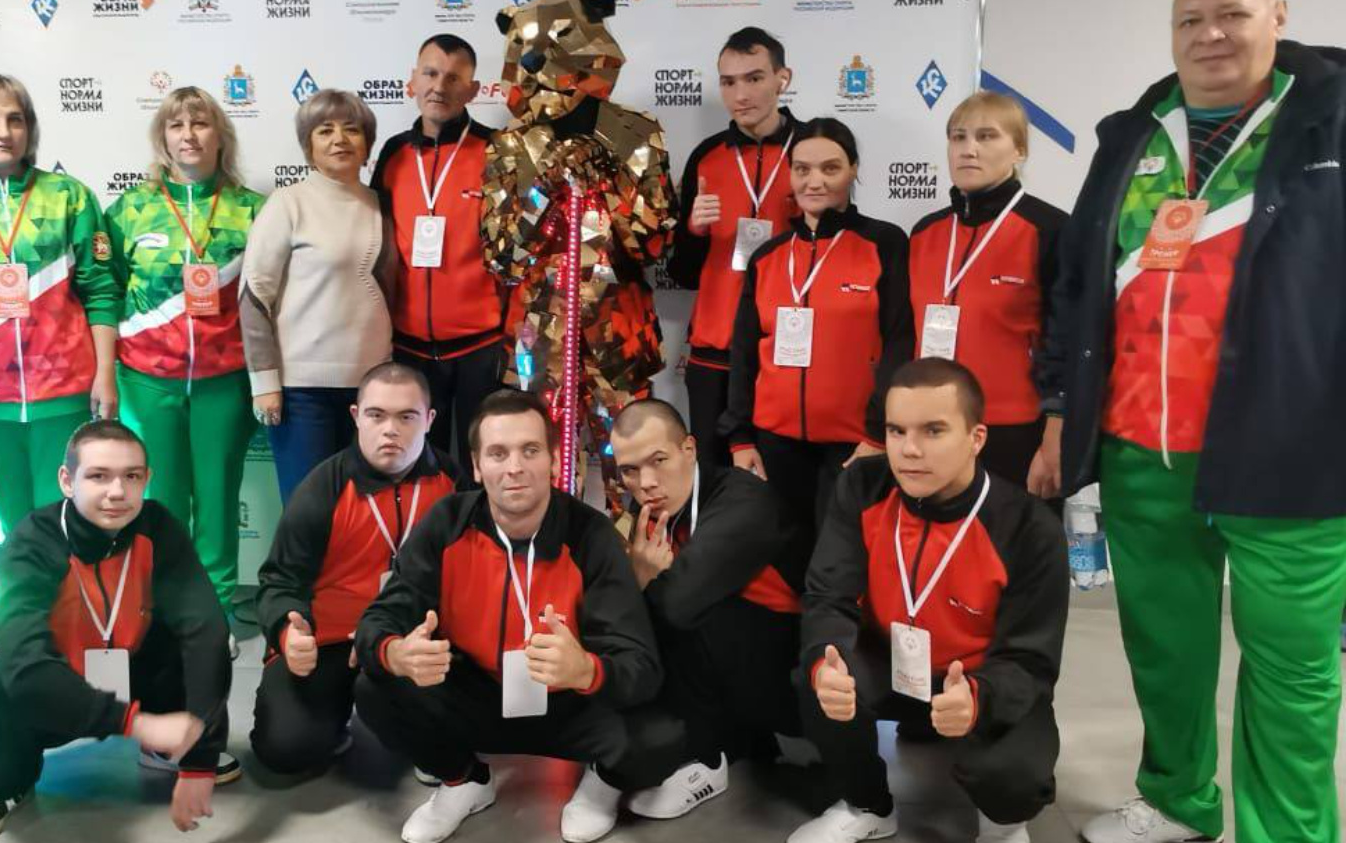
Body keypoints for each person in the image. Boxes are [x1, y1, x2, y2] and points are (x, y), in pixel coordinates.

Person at [1044, 0, 1346, 843]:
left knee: (1292, 673)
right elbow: (1078, 282)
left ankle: (1286, 833)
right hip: (1144, 449)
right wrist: (1062, 407)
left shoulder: (1330, 118)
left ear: (1277, 15)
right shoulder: (1132, 134)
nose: (1211, 35)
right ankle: (1179, 799)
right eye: (1190, 20)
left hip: (1291, 454)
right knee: (1165, 651)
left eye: (1233, 15)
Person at [353, 390, 684, 843]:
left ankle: (601, 785)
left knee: (664, 735)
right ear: (476, 465)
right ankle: (464, 780)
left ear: (553, 460)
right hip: (475, 696)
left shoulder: (591, 535)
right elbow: (379, 620)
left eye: (530, 450)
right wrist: (398, 654)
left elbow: (640, 664)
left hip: (567, 702)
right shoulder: (447, 522)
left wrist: (586, 670)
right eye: (498, 453)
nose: (514, 467)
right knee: (375, 687)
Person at [793, 358, 1067, 843]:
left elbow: (1032, 659)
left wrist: (979, 697)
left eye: (933, 430)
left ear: (976, 438)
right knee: (821, 675)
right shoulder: (862, 486)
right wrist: (824, 663)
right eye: (896, 431)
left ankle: (1002, 828)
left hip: (978, 681)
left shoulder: (1028, 527)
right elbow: (828, 596)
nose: (910, 450)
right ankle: (866, 804)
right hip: (892, 666)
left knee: (1016, 776)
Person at [0, 420, 237, 843]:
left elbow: (205, 631)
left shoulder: (157, 526)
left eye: (131, 476)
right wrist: (135, 723)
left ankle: (168, 749)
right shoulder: (32, 542)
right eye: (98, 476)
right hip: (55, 687)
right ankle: (2, 786)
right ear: (67, 480)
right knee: (3, 678)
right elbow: (26, 664)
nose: (117, 492)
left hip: (131, 666)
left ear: (146, 479)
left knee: (201, 639)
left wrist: (200, 762)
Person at [0, 72, 118, 557]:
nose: (3, 131)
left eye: (15, 119)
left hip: (64, 392)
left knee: (68, 522)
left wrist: (105, 375)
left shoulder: (69, 197)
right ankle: (15, 608)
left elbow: (100, 291)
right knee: (8, 530)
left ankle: (70, 606)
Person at [251, 362, 461, 773]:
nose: (390, 430)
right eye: (376, 415)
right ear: (356, 417)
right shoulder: (322, 489)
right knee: (286, 749)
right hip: (331, 641)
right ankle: (333, 720)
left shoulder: (451, 483)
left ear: (430, 420)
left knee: (460, 719)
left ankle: (416, 729)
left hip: (408, 641)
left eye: (406, 417)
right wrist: (288, 634)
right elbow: (278, 581)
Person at [104, 86, 265, 615]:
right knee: (160, 498)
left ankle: (214, 613)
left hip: (225, 378)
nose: (189, 135)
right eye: (177, 125)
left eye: (200, 123)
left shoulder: (252, 210)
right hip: (147, 380)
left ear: (221, 135)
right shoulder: (131, 209)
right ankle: (165, 609)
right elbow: (107, 289)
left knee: (218, 498)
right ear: (163, 138)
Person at [607, 398, 802, 819]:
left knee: (686, 609)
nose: (646, 482)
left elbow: (677, 605)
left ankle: (704, 759)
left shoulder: (744, 502)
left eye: (659, 460)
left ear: (689, 449)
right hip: (738, 674)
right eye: (629, 470)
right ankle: (732, 742)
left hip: (798, 682)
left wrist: (642, 578)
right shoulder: (650, 505)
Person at [720, 118, 914, 536]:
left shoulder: (884, 243)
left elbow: (901, 343)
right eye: (803, 169)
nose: (814, 181)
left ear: (853, 169)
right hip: (774, 443)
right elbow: (745, 351)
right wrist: (740, 438)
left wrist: (879, 435)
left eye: (831, 168)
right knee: (784, 557)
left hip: (854, 443)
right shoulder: (768, 255)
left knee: (840, 557)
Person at [907, 92, 1069, 494]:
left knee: (1013, 535)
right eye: (958, 137)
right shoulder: (925, 232)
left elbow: (1069, 341)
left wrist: (1056, 433)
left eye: (986, 136)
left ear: (1019, 150)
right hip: (931, 426)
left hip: (1015, 431)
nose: (969, 149)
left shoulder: (1050, 229)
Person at [241, 88, 394, 503]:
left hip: (374, 391)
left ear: (368, 144)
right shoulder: (287, 203)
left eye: (352, 129)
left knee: (364, 513)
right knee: (308, 514)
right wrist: (264, 382)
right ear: (308, 145)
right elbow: (254, 297)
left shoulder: (383, 206)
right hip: (302, 394)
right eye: (325, 130)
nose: (339, 139)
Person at [667, 27, 803, 468]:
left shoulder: (811, 150)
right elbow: (683, 273)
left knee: (781, 483)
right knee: (713, 483)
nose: (740, 94)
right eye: (728, 82)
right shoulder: (707, 156)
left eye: (754, 78)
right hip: (714, 355)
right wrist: (693, 231)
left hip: (784, 352)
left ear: (782, 78)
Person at [371, 34, 504, 469]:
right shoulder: (393, 153)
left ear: (473, 90)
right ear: (412, 80)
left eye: (453, 78)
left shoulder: (497, 151)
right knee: (416, 469)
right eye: (430, 73)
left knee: (478, 467)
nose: (439, 87)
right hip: (408, 348)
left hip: (478, 347)